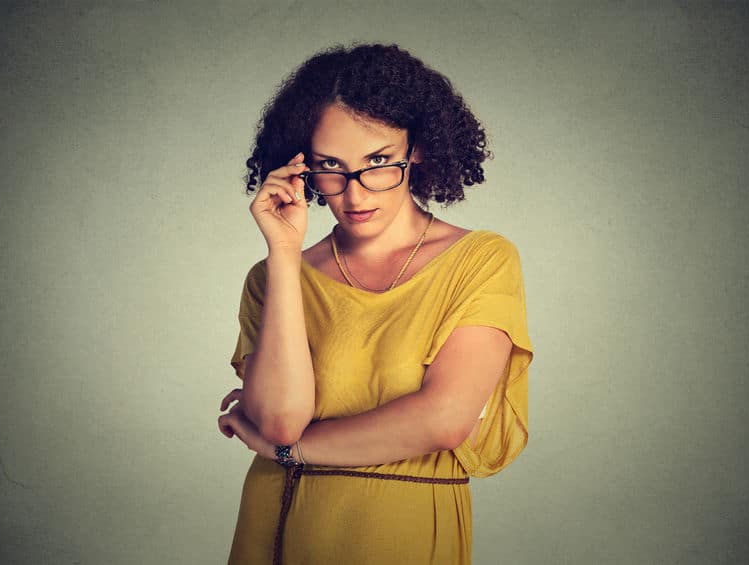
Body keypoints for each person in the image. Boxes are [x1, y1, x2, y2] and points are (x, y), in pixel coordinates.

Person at [217, 43, 533, 565]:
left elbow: (443, 420)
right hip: (275, 525)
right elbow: (278, 422)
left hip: (401, 531)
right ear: (303, 169)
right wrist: (283, 252)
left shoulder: (482, 260)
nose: (355, 193)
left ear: (418, 151)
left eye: (380, 161)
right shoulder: (273, 277)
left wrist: (290, 453)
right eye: (329, 166)